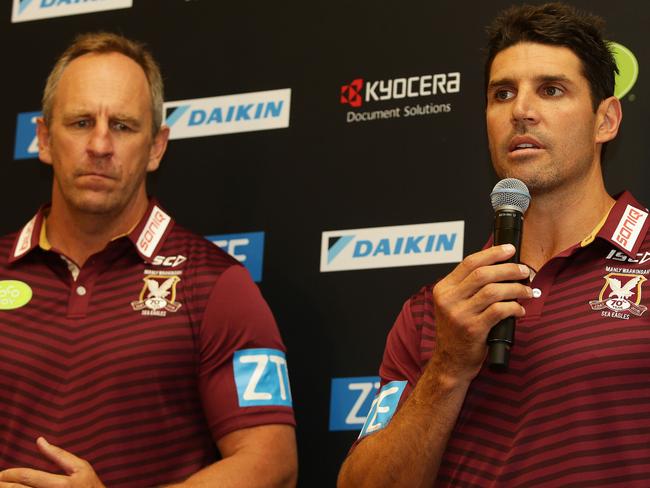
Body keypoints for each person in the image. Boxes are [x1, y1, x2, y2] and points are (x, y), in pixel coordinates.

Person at [338, 3, 650, 487]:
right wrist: (447, 368)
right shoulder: (436, 309)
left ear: (605, 120)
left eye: (551, 90)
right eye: (502, 94)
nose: (521, 111)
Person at [0, 33, 297, 488]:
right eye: (80, 122)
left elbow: (273, 466)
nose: (99, 145)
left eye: (122, 125)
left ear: (157, 146)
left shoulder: (214, 284)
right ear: (43, 138)